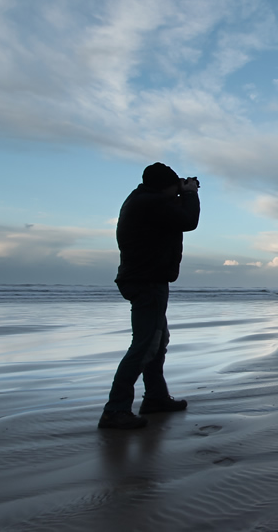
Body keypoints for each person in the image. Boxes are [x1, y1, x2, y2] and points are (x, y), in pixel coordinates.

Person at [98, 162, 200, 430]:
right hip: (147, 281)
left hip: (145, 279)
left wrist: (181, 193)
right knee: (146, 344)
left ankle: (155, 397)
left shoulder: (144, 200)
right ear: (164, 187)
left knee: (157, 340)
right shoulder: (150, 203)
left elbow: (174, 216)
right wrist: (190, 193)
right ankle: (115, 409)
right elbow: (188, 221)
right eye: (174, 186)